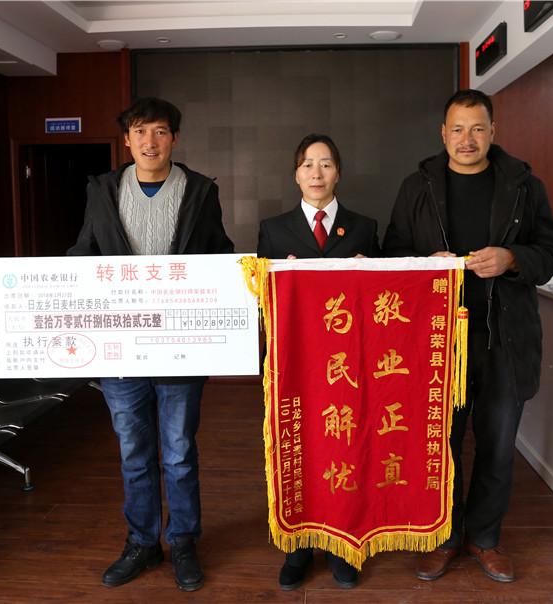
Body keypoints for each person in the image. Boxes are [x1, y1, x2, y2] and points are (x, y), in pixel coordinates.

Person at [383, 89, 553, 583]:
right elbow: (391, 256)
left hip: (503, 339)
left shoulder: (524, 186)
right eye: (458, 129)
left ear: (493, 132)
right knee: (438, 446)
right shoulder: (417, 187)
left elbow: (551, 253)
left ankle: (483, 538)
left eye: (478, 128)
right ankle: (444, 537)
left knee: (498, 445)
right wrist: (424, 266)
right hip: (436, 341)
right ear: (443, 134)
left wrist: (512, 258)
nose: (468, 139)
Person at [67, 97, 234, 592]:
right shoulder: (103, 190)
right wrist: (19, 309)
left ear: (174, 139)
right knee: (134, 451)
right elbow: (81, 255)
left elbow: (221, 254)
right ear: (126, 140)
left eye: (160, 131)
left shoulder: (200, 191)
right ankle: (142, 542)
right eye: (140, 132)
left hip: (181, 344)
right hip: (121, 345)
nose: (150, 141)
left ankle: (183, 542)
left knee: (178, 452)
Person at [257, 133, 380, 590]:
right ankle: (298, 548)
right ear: (296, 174)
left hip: (348, 368)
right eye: (308, 164)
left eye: (326, 164)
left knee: (344, 449)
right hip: (298, 367)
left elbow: (383, 301)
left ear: (338, 172)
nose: (316, 172)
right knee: (299, 451)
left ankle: (341, 546)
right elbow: (262, 299)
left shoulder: (365, 227)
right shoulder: (274, 229)